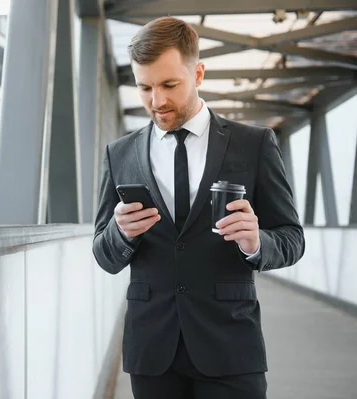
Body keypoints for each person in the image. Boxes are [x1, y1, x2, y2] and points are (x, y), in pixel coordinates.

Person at [92, 16, 305, 399]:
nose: (156, 101)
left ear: (199, 73)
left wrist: (256, 243)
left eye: (169, 85)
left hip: (230, 346)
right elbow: (104, 255)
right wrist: (120, 233)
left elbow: (292, 238)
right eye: (145, 88)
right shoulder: (119, 153)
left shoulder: (253, 144)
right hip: (152, 351)